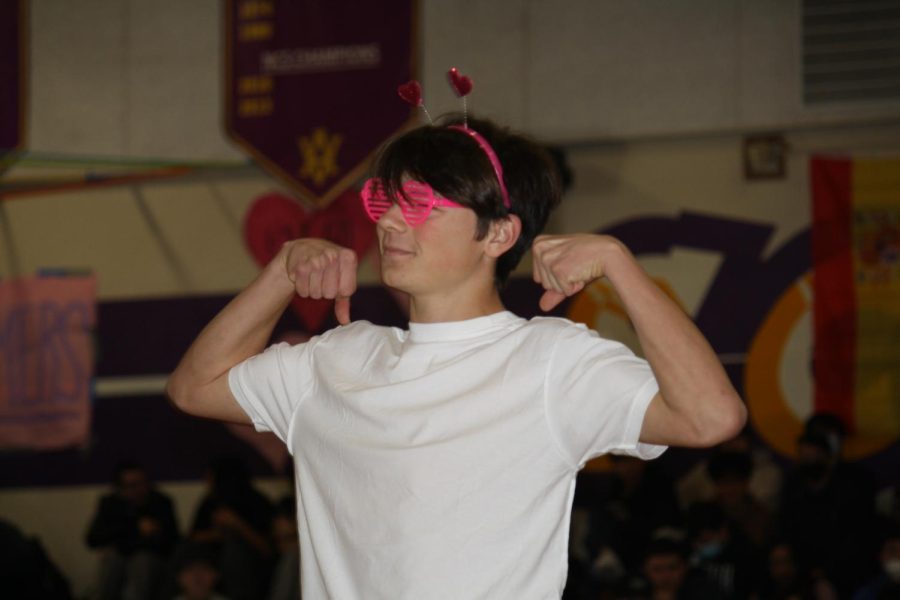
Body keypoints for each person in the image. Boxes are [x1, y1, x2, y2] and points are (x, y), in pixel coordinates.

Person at [167, 112, 746, 598]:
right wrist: (280, 272)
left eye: (421, 203)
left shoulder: (550, 362)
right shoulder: (337, 360)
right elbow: (194, 388)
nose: (390, 220)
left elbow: (710, 416)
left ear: (497, 234)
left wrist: (621, 265)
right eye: (385, 199)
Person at [84, 461, 178, 600]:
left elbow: (172, 540)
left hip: (150, 558)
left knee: (141, 562)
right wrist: (135, 529)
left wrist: (153, 533)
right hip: (119, 557)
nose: (139, 489)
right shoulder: (111, 503)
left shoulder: (160, 502)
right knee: (112, 559)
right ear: (120, 488)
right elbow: (92, 539)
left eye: (142, 483)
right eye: (132, 485)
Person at [188, 455, 274, 600]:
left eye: (211, 478)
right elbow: (192, 537)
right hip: (212, 563)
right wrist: (217, 534)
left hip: (251, 566)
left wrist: (237, 524)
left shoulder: (256, 502)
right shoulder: (211, 502)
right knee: (187, 552)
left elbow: (268, 548)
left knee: (234, 551)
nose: (207, 483)